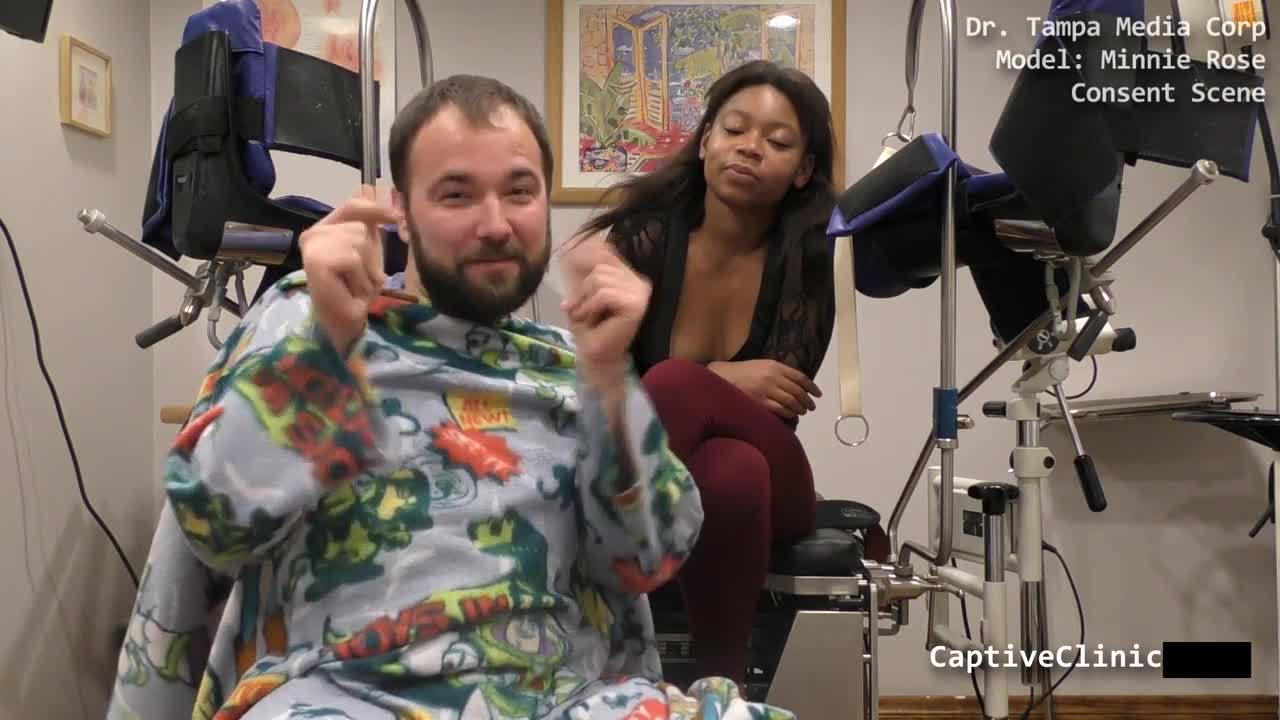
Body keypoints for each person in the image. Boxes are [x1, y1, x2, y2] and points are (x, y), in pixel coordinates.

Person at [106, 75, 798, 720]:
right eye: (457, 195)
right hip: (344, 694)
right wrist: (328, 352)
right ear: (401, 214)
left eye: (520, 192)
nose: (495, 224)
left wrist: (612, 383)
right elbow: (216, 531)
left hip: (559, 698)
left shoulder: (573, 367)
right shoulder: (313, 321)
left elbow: (646, 561)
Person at [569, 60, 838, 684]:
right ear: (705, 141)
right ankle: (723, 688)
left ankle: (582, 574)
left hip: (781, 476)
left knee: (674, 385)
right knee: (729, 469)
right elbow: (604, 393)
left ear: (803, 170)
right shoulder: (641, 241)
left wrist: (700, 381)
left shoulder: (811, 257)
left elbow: (780, 401)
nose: (750, 148)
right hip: (694, 475)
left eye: (777, 142)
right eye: (734, 129)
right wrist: (723, 376)